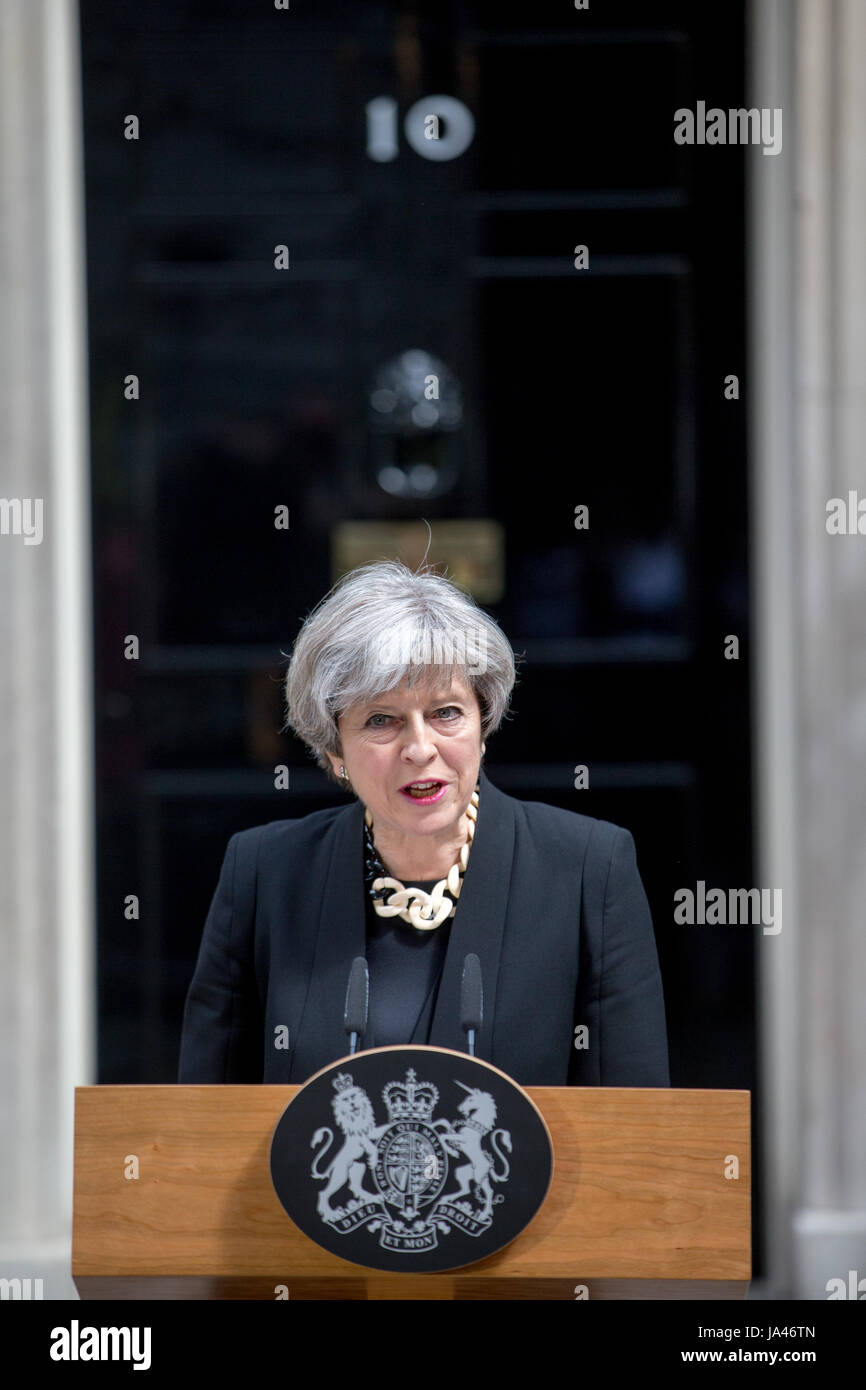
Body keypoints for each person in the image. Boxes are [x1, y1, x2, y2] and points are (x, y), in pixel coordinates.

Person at [178, 559, 670, 1087]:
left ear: (484, 724)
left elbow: (634, 1121)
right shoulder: (264, 873)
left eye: (446, 713)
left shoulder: (588, 869)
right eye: (381, 720)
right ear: (334, 748)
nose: (419, 748)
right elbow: (206, 1124)